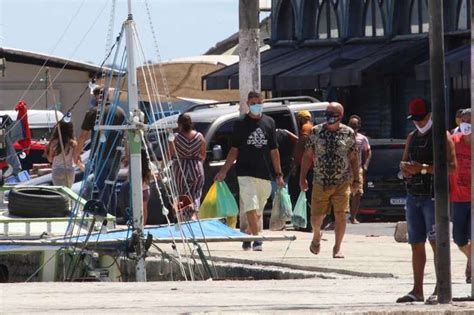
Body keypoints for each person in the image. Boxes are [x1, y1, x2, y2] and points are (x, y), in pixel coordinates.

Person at [397, 98, 456, 303]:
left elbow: (452, 167)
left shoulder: (442, 136)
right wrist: (405, 170)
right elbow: (403, 162)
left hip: (433, 197)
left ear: (429, 115)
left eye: (421, 118)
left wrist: (422, 168)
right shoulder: (412, 137)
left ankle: (441, 288)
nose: (418, 123)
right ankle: (417, 290)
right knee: (416, 243)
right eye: (415, 119)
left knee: (437, 243)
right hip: (414, 196)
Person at [214, 91, 285, 251]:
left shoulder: (269, 122)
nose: (256, 106)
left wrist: (278, 174)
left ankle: (248, 233)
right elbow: (234, 150)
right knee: (250, 206)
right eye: (252, 103)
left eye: (258, 102)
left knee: (258, 209)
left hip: (265, 173)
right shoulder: (240, 124)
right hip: (245, 172)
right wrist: (224, 171)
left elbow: (274, 150)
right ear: (247, 104)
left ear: (263, 102)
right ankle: (257, 238)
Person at [299, 102, 359, 259]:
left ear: (340, 115)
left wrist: (356, 180)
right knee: (316, 217)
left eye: (333, 113)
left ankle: (337, 247)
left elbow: (353, 158)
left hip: (342, 181)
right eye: (327, 112)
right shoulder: (315, 131)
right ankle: (317, 235)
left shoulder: (348, 133)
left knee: (341, 215)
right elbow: (307, 156)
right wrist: (302, 177)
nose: (329, 116)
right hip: (320, 181)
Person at [74, 87, 126, 214]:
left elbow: (83, 135)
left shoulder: (93, 112)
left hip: (100, 155)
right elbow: (125, 135)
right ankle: (111, 214)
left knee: (102, 186)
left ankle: (104, 215)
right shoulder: (120, 111)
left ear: (96, 97)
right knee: (110, 185)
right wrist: (127, 154)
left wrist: (77, 153)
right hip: (117, 155)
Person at [168, 113, 206, 221]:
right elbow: (203, 155)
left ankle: (183, 218)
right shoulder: (199, 136)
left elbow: (169, 154)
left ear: (179, 124)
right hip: (196, 167)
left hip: (180, 168)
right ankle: (193, 214)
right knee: (195, 193)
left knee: (182, 194)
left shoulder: (175, 137)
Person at [449, 108, 471, 283]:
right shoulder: (454, 140)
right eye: (463, 120)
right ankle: (472, 260)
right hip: (459, 197)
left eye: (470, 121)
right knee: (458, 237)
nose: (466, 124)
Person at [289, 111, 314, 232]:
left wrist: (295, 163)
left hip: (304, 168)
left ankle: (305, 223)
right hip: (311, 168)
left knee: (299, 194)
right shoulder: (312, 127)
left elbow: (302, 144)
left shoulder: (306, 127)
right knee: (308, 196)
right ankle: (308, 223)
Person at [347, 115, 372, 224]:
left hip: (357, 169)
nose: (353, 128)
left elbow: (368, 151)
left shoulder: (362, 139)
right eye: (351, 126)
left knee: (357, 193)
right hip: (345, 170)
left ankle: (353, 217)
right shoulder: (343, 137)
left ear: (359, 127)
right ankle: (341, 217)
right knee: (344, 193)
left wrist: (365, 164)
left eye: (355, 126)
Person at [46, 120, 80, 188]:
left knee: (60, 193)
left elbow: (50, 159)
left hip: (57, 170)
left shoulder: (54, 142)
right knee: (68, 192)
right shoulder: (73, 143)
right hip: (69, 170)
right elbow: (75, 159)